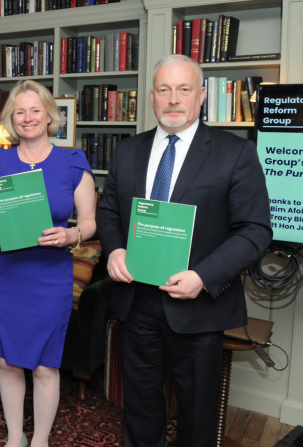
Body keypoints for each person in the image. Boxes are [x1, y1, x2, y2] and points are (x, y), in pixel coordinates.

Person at [96, 54, 272, 447]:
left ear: (201, 95)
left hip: (198, 307)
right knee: (139, 408)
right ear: (152, 97)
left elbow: (254, 231)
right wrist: (115, 250)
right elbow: (108, 212)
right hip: (135, 302)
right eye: (164, 89)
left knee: (196, 415)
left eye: (184, 89)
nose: (173, 99)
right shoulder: (128, 150)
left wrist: (203, 276)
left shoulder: (235, 153)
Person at [0, 80, 96, 447]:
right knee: (7, 361)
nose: (27, 118)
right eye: (20, 112)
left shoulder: (73, 161)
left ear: (49, 116)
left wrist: (72, 235)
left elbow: (89, 222)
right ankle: (15, 437)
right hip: (6, 275)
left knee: (45, 364)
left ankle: (40, 440)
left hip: (49, 275)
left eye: (35, 110)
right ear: (11, 119)